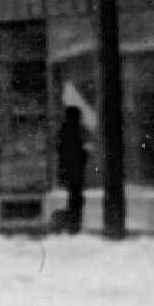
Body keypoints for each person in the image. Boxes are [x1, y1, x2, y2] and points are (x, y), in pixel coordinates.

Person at [54, 98, 91, 234]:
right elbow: (82, 151)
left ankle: (71, 224)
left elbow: (59, 149)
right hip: (76, 170)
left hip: (68, 169)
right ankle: (73, 225)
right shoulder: (78, 131)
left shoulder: (64, 130)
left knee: (74, 197)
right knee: (76, 198)